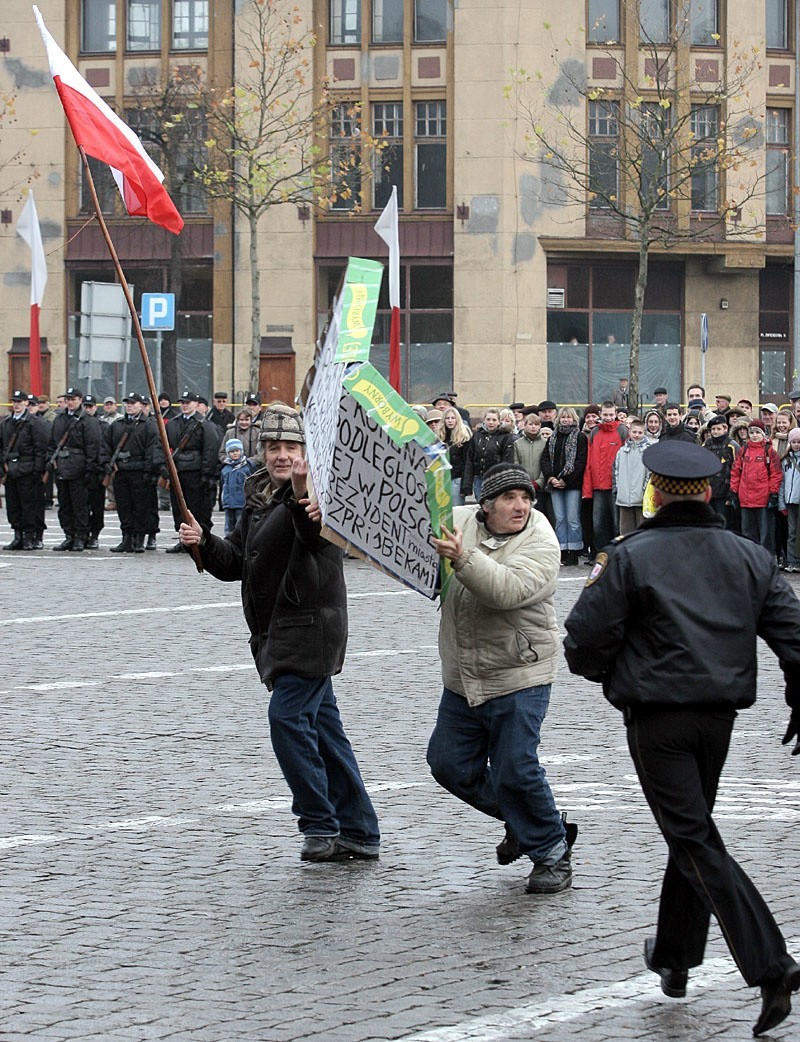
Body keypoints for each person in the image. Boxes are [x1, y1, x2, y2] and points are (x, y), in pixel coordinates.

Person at [563, 440, 800, 1038]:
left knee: (692, 837)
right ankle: (675, 958)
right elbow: (794, 638)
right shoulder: (750, 555)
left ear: (656, 491)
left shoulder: (629, 555)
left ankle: (771, 965)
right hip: (718, 716)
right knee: (690, 831)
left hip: (658, 716)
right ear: (711, 492)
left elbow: (583, 641)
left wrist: (614, 675)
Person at [178, 403, 380, 862]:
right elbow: (236, 564)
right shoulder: (260, 496)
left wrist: (304, 491)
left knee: (287, 720)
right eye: (273, 446)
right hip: (276, 631)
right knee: (326, 732)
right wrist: (203, 542)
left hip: (309, 632)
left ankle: (319, 824)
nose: (281, 455)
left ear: (306, 452)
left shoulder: (320, 497)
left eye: (291, 446)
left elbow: (313, 538)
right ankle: (360, 830)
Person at [427, 462, 577, 894]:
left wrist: (461, 557)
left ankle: (551, 850)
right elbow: (409, 539)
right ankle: (532, 821)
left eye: (526, 498)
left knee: (515, 768)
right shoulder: (457, 521)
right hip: (463, 677)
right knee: (448, 764)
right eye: (510, 498)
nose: (521, 506)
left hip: (520, 673)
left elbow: (507, 591)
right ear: (486, 504)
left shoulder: (542, 539)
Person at [162, 391, 221, 551]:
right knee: (178, 506)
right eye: (182, 402)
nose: (185, 405)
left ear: (196, 404)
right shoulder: (173, 424)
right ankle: (183, 539)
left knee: (197, 507)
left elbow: (210, 449)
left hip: (196, 472)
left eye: (188, 402)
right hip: (177, 472)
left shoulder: (204, 424)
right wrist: (165, 470)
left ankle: (199, 538)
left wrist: (206, 473)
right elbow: (163, 446)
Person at [106, 391, 163, 553]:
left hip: (139, 471)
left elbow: (153, 449)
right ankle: (127, 538)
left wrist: (148, 470)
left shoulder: (149, 425)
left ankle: (139, 539)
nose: (129, 406)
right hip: (121, 471)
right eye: (127, 403)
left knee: (141, 507)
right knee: (124, 507)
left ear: (141, 405)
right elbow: (106, 445)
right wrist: (107, 464)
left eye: (133, 403)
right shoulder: (117, 425)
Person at [47, 387, 102, 552]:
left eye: (73, 399)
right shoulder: (59, 419)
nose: (70, 402)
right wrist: (51, 461)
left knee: (80, 506)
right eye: (68, 399)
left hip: (79, 468)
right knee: (64, 505)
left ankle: (80, 536)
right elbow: (52, 442)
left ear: (80, 400)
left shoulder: (88, 421)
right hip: (62, 467)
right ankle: (69, 535)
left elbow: (93, 447)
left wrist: (90, 470)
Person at [0, 389, 49, 550]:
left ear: (26, 403)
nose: (16, 405)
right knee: (13, 505)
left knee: (29, 505)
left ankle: (30, 535)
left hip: (28, 470)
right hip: (11, 470)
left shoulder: (34, 423)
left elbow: (40, 449)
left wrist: (37, 471)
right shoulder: (6, 423)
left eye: (19, 402)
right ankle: (17, 534)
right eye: (14, 402)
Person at [582, 401, 627, 561]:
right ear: (600, 415)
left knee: (616, 524)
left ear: (615, 414)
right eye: (605, 415)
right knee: (598, 524)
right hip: (598, 485)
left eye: (610, 414)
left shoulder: (622, 431)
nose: (608, 418)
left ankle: (617, 556)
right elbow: (590, 461)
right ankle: (600, 555)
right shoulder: (594, 432)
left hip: (615, 485)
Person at [540, 406, 587, 564]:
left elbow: (580, 462)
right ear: (558, 419)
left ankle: (573, 551)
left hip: (572, 485)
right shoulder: (553, 437)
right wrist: (550, 477)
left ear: (574, 419)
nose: (566, 420)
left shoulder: (580, 437)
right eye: (563, 417)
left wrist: (566, 480)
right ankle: (562, 550)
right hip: (554, 484)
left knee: (572, 519)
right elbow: (545, 459)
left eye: (569, 417)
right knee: (559, 519)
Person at [730, 419, 782, 552]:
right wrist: (734, 491)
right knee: (747, 533)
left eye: (757, 432)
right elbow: (736, 472)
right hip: (745, 499)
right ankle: (750, 560)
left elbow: (776, 474)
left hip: (763, 499)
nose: (754, 435)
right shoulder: (743, 450)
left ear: (763, 434)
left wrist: (773, 493)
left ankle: (766, 560)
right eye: (751, 432)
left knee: (766, 534)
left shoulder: (769, 451)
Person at [462, 408, 515, 502]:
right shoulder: (477, 436)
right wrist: (467, 484)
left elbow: (507, 461)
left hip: (496, 479)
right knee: (481, 505)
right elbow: (470, 459)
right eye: (488, 419)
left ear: (499, 422)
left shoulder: (505, 437)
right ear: (484, 420)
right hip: (479, 478)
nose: (491, 422)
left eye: (494, 420)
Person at [612, 416, 649, 534]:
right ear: (629, 432)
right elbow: (616, 471)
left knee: (642, 531)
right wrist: (618, 488)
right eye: (634, 432)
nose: (637, 435)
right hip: (624, 498)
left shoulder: (648, 451)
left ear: (644, 433)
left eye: (640, 432)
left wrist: (644, 491)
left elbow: (649, 474)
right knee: (625, 531)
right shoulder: (621, 451)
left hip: (641, 499)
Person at [219, 438, 258, 536]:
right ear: (228, 453)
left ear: (241, 451)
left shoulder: (247, 467)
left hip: (241, 502)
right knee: (229, 525)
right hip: (228, 503)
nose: (235, 453)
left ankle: (241, 541)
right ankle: (228, 542)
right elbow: (223, 485)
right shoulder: (225, 469)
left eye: (237, 451)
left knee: (240, 524)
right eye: (232, 451)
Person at [436, 405, 472, 507]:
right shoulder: (439, 437)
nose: (450, 421)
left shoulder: (464, 438)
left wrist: (466, 485)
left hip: (457, 478)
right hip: (441, 478)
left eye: (453, 418)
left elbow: (467, 462)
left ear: (457, 420)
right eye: (447, 418)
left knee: (457, 510)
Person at [779, 428, 800, 573]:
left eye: (799, 442)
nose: (796, 444)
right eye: (793, 442)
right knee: (791, 532)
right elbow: (782, 483)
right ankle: (792, 560)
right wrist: (782, 502)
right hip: (790, 500)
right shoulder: (785, 460)